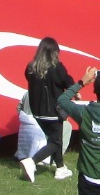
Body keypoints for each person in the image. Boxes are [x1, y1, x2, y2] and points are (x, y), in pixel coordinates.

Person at [18, 37, 74, 182]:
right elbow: (68, 82)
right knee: (55, 142)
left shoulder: (31, 67)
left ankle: (60, 168)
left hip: (37, 112)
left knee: (54, 139)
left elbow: (28, 80)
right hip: (54, 112)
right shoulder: (57, 67)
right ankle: (32, 161)